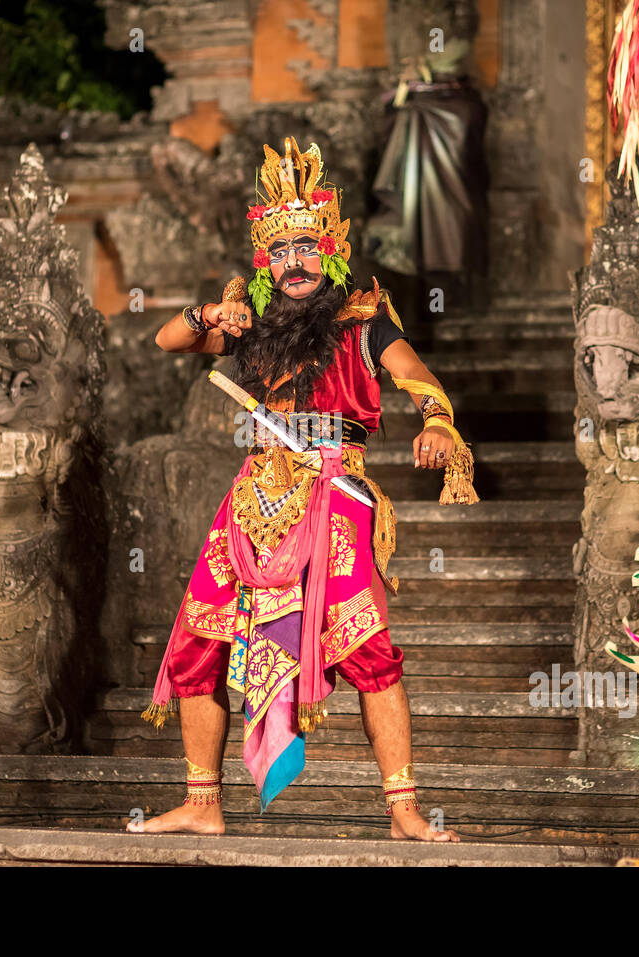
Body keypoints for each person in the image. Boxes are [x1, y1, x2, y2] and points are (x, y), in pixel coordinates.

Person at [126, 137, 476, 841]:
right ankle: (202, 801)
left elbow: (420, 379)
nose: (293, 263)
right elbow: (167, 340)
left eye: (306, 248)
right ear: (265, 260)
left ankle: (404, 809)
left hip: (334, 497)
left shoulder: (363, 317)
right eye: (279, 252)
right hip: (254, 498)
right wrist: (206, 318)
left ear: (331, 251)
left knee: (368, 649)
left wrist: (438, 423)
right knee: (197, 640)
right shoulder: (250, 325)